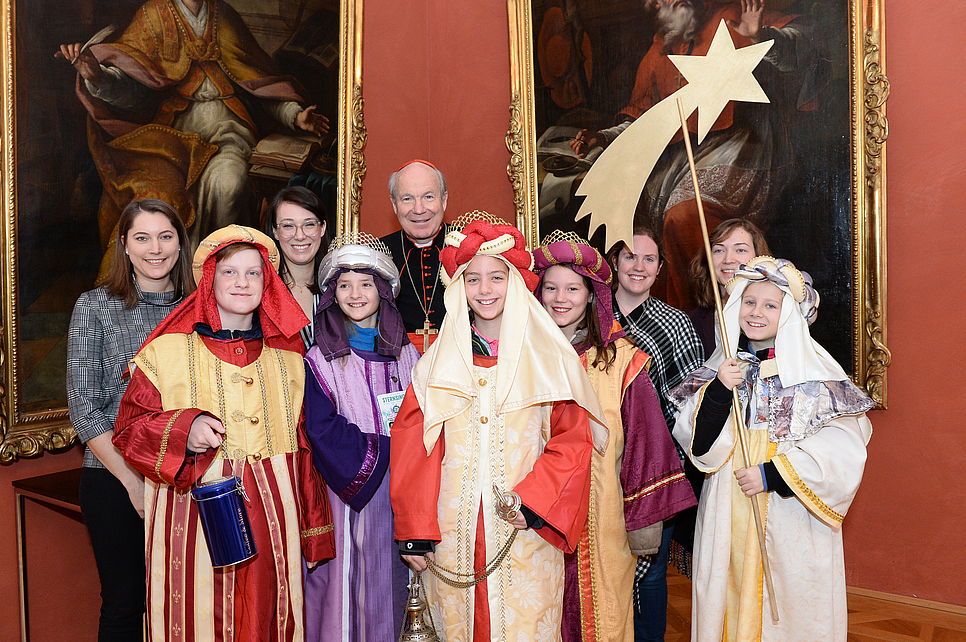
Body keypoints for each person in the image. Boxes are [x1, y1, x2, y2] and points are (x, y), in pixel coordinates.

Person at [112, 225, 342, 641]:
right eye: (230, 272)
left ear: (267, 283)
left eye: (253, 273)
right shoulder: (165, 353)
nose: (242, 282)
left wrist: (315, 532)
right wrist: (184, 428)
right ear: (209, 280)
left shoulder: (290, 360)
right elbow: (129, 429)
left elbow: (305, 451)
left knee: (267, 619)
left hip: (275, 516)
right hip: (193, 513)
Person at [390, 214, 607, 641]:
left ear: (517, 282)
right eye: (473, 279)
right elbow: (417, 444)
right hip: (452, 532)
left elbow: (573, 439)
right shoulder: (438, 363)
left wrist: (536, 502)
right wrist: (416, 529)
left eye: (496, 278)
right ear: (458, 288)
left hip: (523, 528)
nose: (485, 290)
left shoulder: (548, 357)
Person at [669, 257, 873, 640]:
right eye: (749, 302)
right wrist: (718, 390)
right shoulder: (721, 369)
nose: (756, 312)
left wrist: (771, 474)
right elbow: (697, 443)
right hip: (727, 504)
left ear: (790, 314)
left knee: (790, 603)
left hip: (790, 510)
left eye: (769, 305)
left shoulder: (816, 375)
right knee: (725, 590)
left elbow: (844, 450)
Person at [571, 0, 814, 310]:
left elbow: (806, 50)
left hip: (743, 144)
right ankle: (661, 319)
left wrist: (760, 36)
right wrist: (603, 137)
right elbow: (644, 117)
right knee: (633, 218)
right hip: (684, 152)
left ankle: (707, 314)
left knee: (684, 217)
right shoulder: (662, 46)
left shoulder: (732, 17)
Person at [57, 0, 330, 254]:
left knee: (228, 184)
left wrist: (294, 115)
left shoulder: (223, 16)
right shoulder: (153, 15)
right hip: (173, 134)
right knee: (160, 196)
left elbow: (257, 87)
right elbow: (132, 93)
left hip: (228, 128)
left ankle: (220, 275)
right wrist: (98, 77)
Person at [533, 232, 697, 642]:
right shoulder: (522, 357)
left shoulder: (621, 361)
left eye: (572, 288)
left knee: (602, 615)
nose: (560, 298)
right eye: (550, 288)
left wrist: (643, 526)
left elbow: (646, 442)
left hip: (601, 518)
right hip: (530, 519)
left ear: (591, 295)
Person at [67, 199, 192, 641]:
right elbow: (83, 407)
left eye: (165, 236)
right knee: (125, 603)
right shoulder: (95, 307)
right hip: (113, 478)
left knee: (186, 599)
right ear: (124, 245)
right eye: (142, 237)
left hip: (188, 477)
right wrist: (133, 482)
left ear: (180, 243)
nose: (154, 248)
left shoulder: (199, 308)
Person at [301, 234, 421, 641]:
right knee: (346, 595)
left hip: (403, 492)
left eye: (366, 283)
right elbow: (321, 428)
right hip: (346, 493)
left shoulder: (408, 355)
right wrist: (386, 451)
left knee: (395, 591)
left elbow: (425, 419)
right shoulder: (320, 359)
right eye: (345, 284)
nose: (355, 294)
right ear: (332, 294)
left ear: (383, 291)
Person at [606, 224, 703, 641]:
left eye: (649, 259)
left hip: (654, 468)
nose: (638, 266)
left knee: (649, 573)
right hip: (599, 463)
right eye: (630, 256)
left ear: (660, 268)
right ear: (614, 263)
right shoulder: (589, 314)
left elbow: (691, 402)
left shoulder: (676, 324)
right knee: (604, 567)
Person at [379, 160, 449, 347]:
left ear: (443, 200)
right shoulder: (378, 253)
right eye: (407, 198)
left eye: (428, 197)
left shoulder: (470, 246)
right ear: (394, 204)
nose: (419, 209)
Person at [687, 219, 772, 356]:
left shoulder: (778, 313)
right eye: (719, 250)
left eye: (740, 250)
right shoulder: (692, 323)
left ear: (758, 256)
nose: (728, 259)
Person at [265, 186, 330, 349]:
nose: (300, 236)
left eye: (309, 224)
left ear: (322, 228)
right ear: (275, 232)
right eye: (288, 226)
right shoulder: (261, 290)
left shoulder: (337, 287)